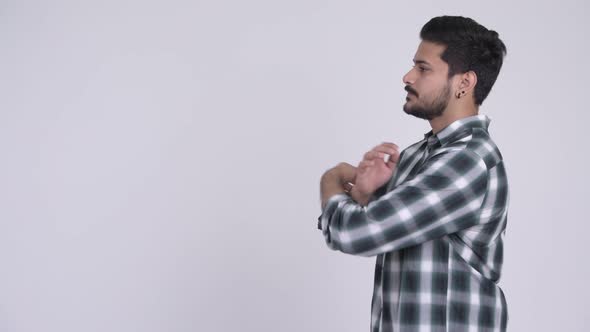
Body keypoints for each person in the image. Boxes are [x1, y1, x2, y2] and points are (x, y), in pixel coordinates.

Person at [318, 16, 509, 332]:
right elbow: (383, 227)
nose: (408, 77)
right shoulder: (416, 156)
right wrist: (363, 194)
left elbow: (356, 234)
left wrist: (332, 181)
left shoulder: (468, 160)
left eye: (423, 69)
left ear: (464, 83)